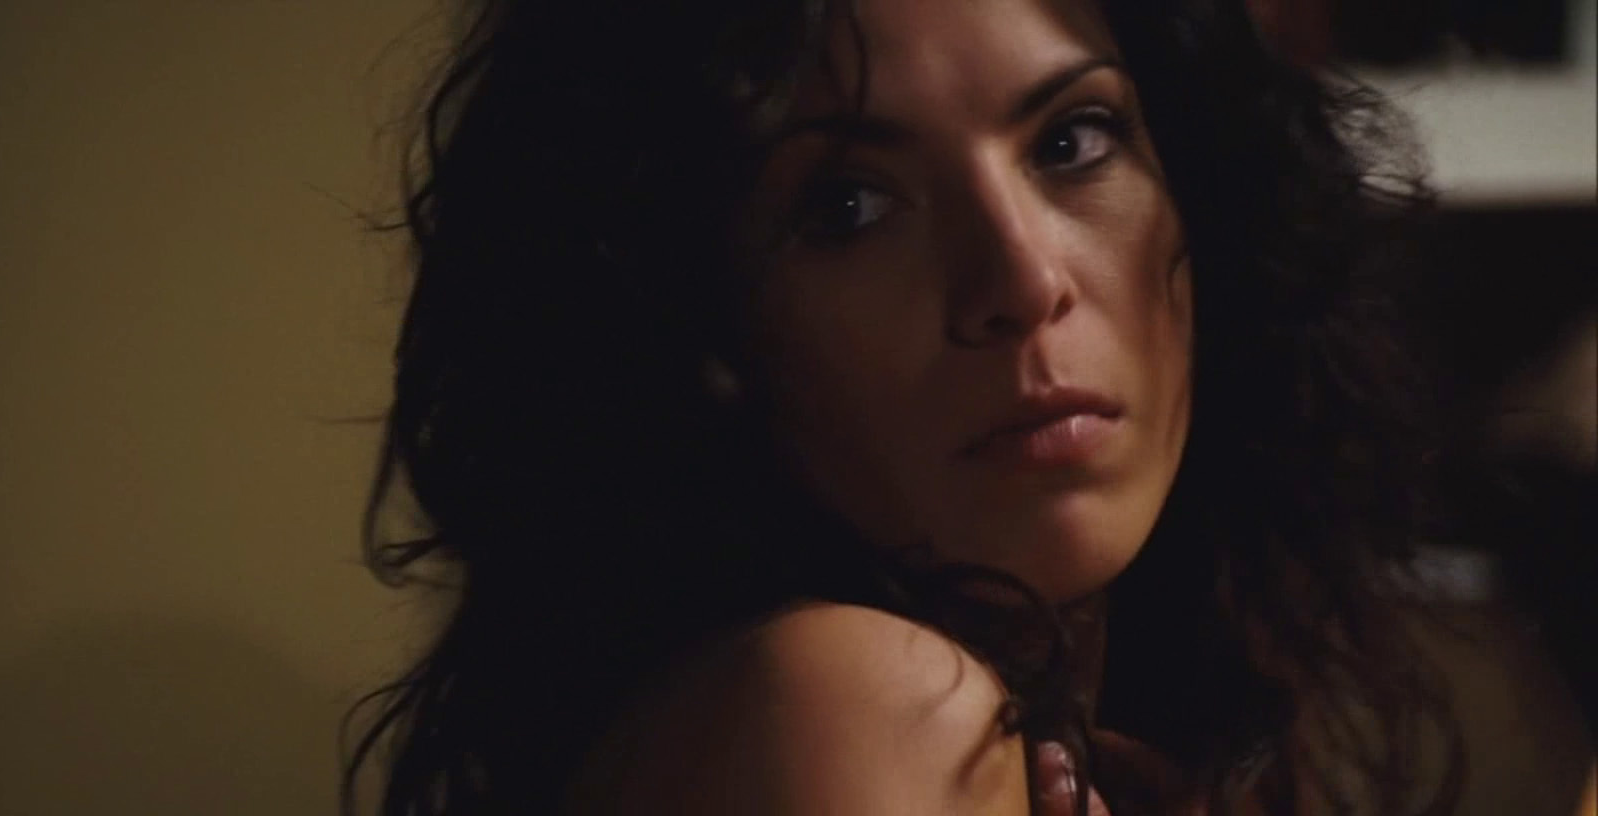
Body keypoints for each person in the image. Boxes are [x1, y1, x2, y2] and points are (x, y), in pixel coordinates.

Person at [338, 0, 1550, 813]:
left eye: (1073, 141)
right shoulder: (852, 698)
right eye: (848, 207)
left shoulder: (1098, 719)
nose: (1022, 281)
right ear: (696, 327)